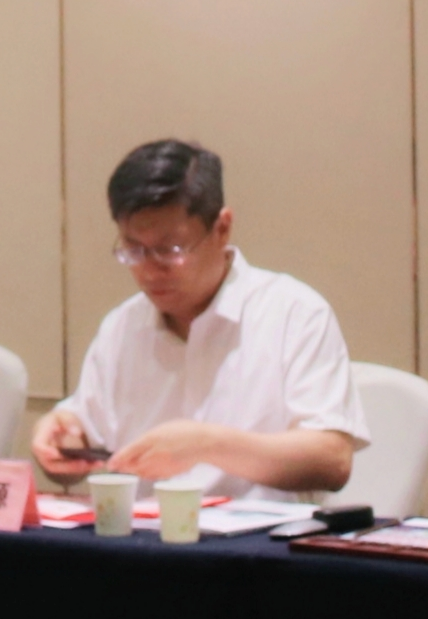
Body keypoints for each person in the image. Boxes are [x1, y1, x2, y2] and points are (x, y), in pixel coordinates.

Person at [32, 139, 366, 503]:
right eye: (134, 249)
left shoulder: (294, 314)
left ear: (222, 229)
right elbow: (80, 441)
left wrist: (207, 444)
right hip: (144, 533)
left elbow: (332, 460)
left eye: (170, 249)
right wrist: (62, 442)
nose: (150, 270)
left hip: (259, 535)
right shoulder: (122, 327)